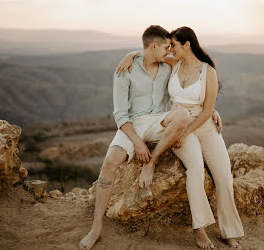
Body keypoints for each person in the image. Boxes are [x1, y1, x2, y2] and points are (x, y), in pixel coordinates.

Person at [78, 25, 221, 250]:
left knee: (182, 115)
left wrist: (209, 109)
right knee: (109, 163)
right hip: (132, 125)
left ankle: (151, 163)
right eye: (166, 47)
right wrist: (137, 142)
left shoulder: (166, 66)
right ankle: (96, 228)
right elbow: (120, 115)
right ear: (154, 46)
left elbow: (187, 91)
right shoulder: (124, 70)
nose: (170, 51)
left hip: (159, 120)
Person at [117, 26, 244, 249]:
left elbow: (206, 110)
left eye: (174, 45)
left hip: (202, 125)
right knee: (194, 168)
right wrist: (130, 55)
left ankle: (229, 231)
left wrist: (194, 126)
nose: (170, 49)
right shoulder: (173, 64)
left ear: (187, 45)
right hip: (179, 123)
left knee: (224, 175)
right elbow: (150, 52)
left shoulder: (208, 72)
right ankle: (200, 229)